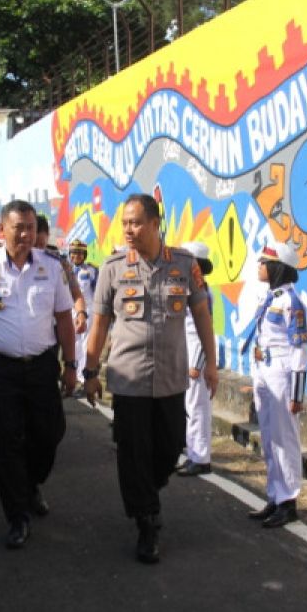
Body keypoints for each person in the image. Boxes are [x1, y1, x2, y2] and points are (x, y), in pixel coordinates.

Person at [83, 193, 218, 564]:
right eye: (125, 223)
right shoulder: (112, 268)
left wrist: (211, 363)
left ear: (156, 224)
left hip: (172, 379)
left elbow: (203, 314)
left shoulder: (184, 265)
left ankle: (149, 491)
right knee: (133, 453)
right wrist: (90, 371)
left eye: (136, 222)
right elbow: (99, 324)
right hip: (129, 379)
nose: (129, 229)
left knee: (170, 447)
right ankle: (147, 521)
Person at [0, 200, 77, 549]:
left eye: (30, 227)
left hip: (40, 367)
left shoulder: (52, 268)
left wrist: (71, 365)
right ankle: (17, 516)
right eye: (18, 227)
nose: (25, 234)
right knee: (5, 445)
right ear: (1, 231)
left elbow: (65, 318)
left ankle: (30, 483)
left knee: (50, 433)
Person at [242, 242, 307, 527]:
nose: (259, 265)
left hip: (282, 373)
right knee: (269, 437)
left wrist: (297, 393)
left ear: (277, 267)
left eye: (264, 261)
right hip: (264, 370)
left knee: (285, 440)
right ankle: (275, 495)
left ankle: (289, 501)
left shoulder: (291, 303)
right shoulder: (269, 297)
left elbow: (300, 350)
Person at [175, 241, 215, 478]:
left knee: (198, 406)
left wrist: (198, 364)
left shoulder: (203, 294)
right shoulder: (190, 289)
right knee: (189, 406)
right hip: (187, 351)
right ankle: (193, 454)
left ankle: (201, 458)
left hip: (196, 356)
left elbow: (205, 330)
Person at [67, 239, 98, 383]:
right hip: (70, 311)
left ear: (84, 255)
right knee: (73, 343)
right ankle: (73, 373)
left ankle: (83, 377)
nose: (76, 256)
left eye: (80, 253)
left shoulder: (91, 270)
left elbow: (97, 292)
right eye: (73, 253)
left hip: (88, 311)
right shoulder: (65, 270)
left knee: (86, 343)